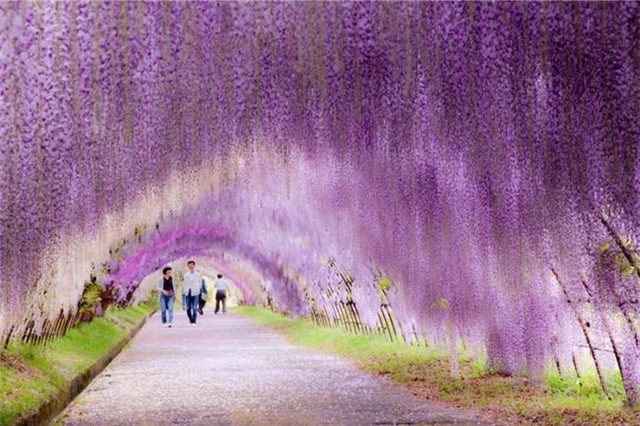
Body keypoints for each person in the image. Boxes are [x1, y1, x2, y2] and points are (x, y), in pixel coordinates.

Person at [182, 260, 203, 326]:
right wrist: (184, 291)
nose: (191, 266)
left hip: (195, 292)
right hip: (188, 292)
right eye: (189, 265)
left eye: (192, 265)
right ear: (188, 266)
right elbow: (184, 284)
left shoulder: (198, 274)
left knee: (194, 307)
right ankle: (191, 320)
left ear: (194, 265)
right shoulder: (186, 275)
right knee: (188, 308)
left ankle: (194, 321)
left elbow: (200, 283)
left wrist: (198, 289)